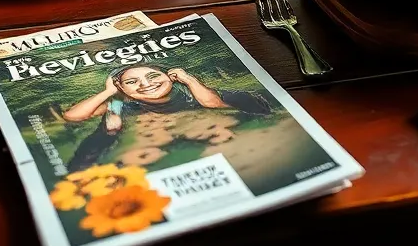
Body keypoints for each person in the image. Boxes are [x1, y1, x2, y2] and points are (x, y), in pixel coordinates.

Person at [63, 65, 271, 170]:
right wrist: (109, 92)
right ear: (122, 89)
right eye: (133, 82)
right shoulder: (119, 105)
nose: (146, 84)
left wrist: (188, 79)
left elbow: (213, 105)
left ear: (171, 77)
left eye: (153, 76)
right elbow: (73, 117)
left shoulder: (191, 93)